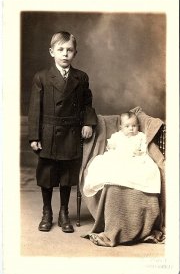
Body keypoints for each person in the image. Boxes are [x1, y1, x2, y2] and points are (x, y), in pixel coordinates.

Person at [28, 31, 97, 233]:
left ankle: (64, 212)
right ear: (52, 52)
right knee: (47, 175)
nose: (65, 54)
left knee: (67, 175)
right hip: (48, 132)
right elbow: (34, 109)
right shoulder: (42, 77)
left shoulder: (81, 77)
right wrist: (34, 136)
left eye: (69, 50)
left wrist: (88, 123)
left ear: (75, 52)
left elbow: (87, 103)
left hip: (71, 132)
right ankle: (47, 212)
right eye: (60, 49)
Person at [83, 112, 161, 197]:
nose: (131, 129)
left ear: (138, 126)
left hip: (135, 158)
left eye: (134, 126)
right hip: (120, 156)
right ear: (121, 127)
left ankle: (130, 182)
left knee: (148, 169)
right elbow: (110, 146)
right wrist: (112, 148)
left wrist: (140, 151)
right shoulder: (117, 135)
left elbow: (144, 146)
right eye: (127, 126)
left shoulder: (140, 136)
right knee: (101, 164)